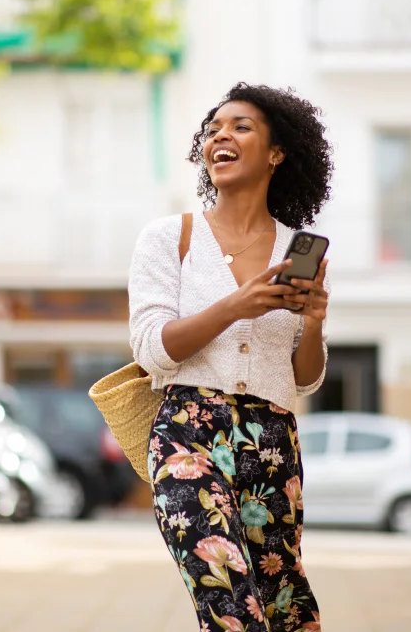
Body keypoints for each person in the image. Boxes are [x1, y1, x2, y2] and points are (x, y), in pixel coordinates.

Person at [128, 83, 333, 631]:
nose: (220, 134)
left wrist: (313, 323)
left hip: (272, 443)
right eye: (213, 128)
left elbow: (305, 378)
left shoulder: (297, 249)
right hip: (187, 435)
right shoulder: (168, 238)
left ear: (276, 153)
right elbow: (152, 348)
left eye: (240, 126)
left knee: (284, 605)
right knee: (230, 606)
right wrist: (235, 304)